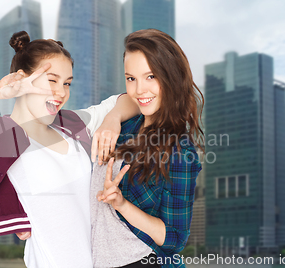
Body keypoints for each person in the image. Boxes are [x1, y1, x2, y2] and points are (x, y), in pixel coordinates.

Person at [0, 31, 139, 268]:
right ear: (22, 79)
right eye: (52, 80)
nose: (61, 92)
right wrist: (0, 88)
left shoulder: (73, 125)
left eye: (67, 83)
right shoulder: (0, 135)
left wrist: (113, 118)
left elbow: (132, 99)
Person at [91, 29, 204, 268]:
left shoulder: (181, 152)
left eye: (150, 76)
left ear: (171, 77)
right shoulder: (125, 125)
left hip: (143, 261)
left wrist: (122, 204)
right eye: (131, 78)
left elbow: (175, 239)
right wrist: (112, 117)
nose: (139, 89)